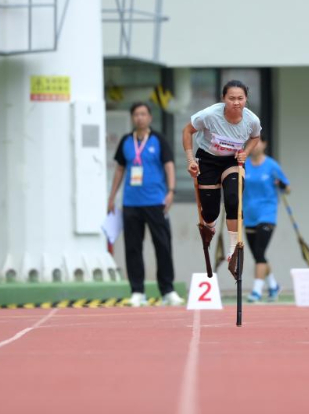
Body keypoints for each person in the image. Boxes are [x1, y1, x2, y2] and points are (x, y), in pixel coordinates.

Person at [182, 80, 261, 280]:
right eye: (231, 98)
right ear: (223, 99)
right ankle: (209, 226)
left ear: (246, 99)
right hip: (207, 159)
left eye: (240, 98)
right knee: (210, 211)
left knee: (234, 197)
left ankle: (234, 246)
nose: (236, 103)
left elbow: (255, 137)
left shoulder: (251, 120)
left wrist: (246, 153)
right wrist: (191, 160)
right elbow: (187, 131)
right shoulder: (209, 115)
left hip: (231, 161)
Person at [108, 102, 182, 307]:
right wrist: (112, 197)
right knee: (132, 247)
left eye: (143, 114)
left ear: (149, 117)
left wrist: (171, 191)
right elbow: (120, 170)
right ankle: (137, 291)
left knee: (163, 245)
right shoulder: (126, 141)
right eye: (136, 114)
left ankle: (168, 290)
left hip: (156, 201)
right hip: (131, 202)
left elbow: (169, 166)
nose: (139, 118)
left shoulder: (158, 140)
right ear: (132, 118)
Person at [243, 135, 289, 303]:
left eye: (257, 142)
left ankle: (256, 291)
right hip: (249, 215)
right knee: (258, 255)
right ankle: (273, 286)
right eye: (251, 143)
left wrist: (282, 185)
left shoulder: (272, 166)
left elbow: (288, 188)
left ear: (264, 144)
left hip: (267, 214)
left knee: (260, 252)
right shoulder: (243, 165)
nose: (254, 146)